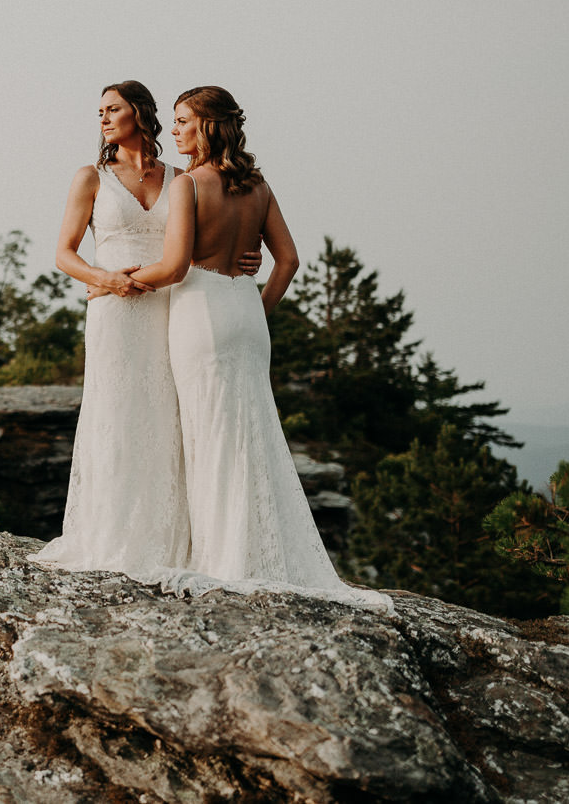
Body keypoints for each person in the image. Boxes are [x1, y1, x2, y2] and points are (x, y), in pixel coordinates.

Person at [127, 86, 391, 609]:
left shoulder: (187, 185)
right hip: (245, 314)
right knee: (249, 434)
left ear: (207, 126)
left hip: (200, 314)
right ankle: (252, 550)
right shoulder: (258, 185)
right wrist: (257, 310)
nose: (174, 131)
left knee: (209, 436)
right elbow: (288, 261)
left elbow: (176, 267)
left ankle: (224, 560)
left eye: (182, 121)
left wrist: (122, 280)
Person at [30, 82, 257, 577]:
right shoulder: (91, 177)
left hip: (173, 310)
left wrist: (245, 256)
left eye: (112, 109)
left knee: (167, 421)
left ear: (139, 112)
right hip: (114, 309)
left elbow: (204, 241)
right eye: (100, 112)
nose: (104, 119)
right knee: (115, 412)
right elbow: (63, 253)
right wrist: (104, 278)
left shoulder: (183, 176)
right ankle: (111, 538)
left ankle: (170, 545)